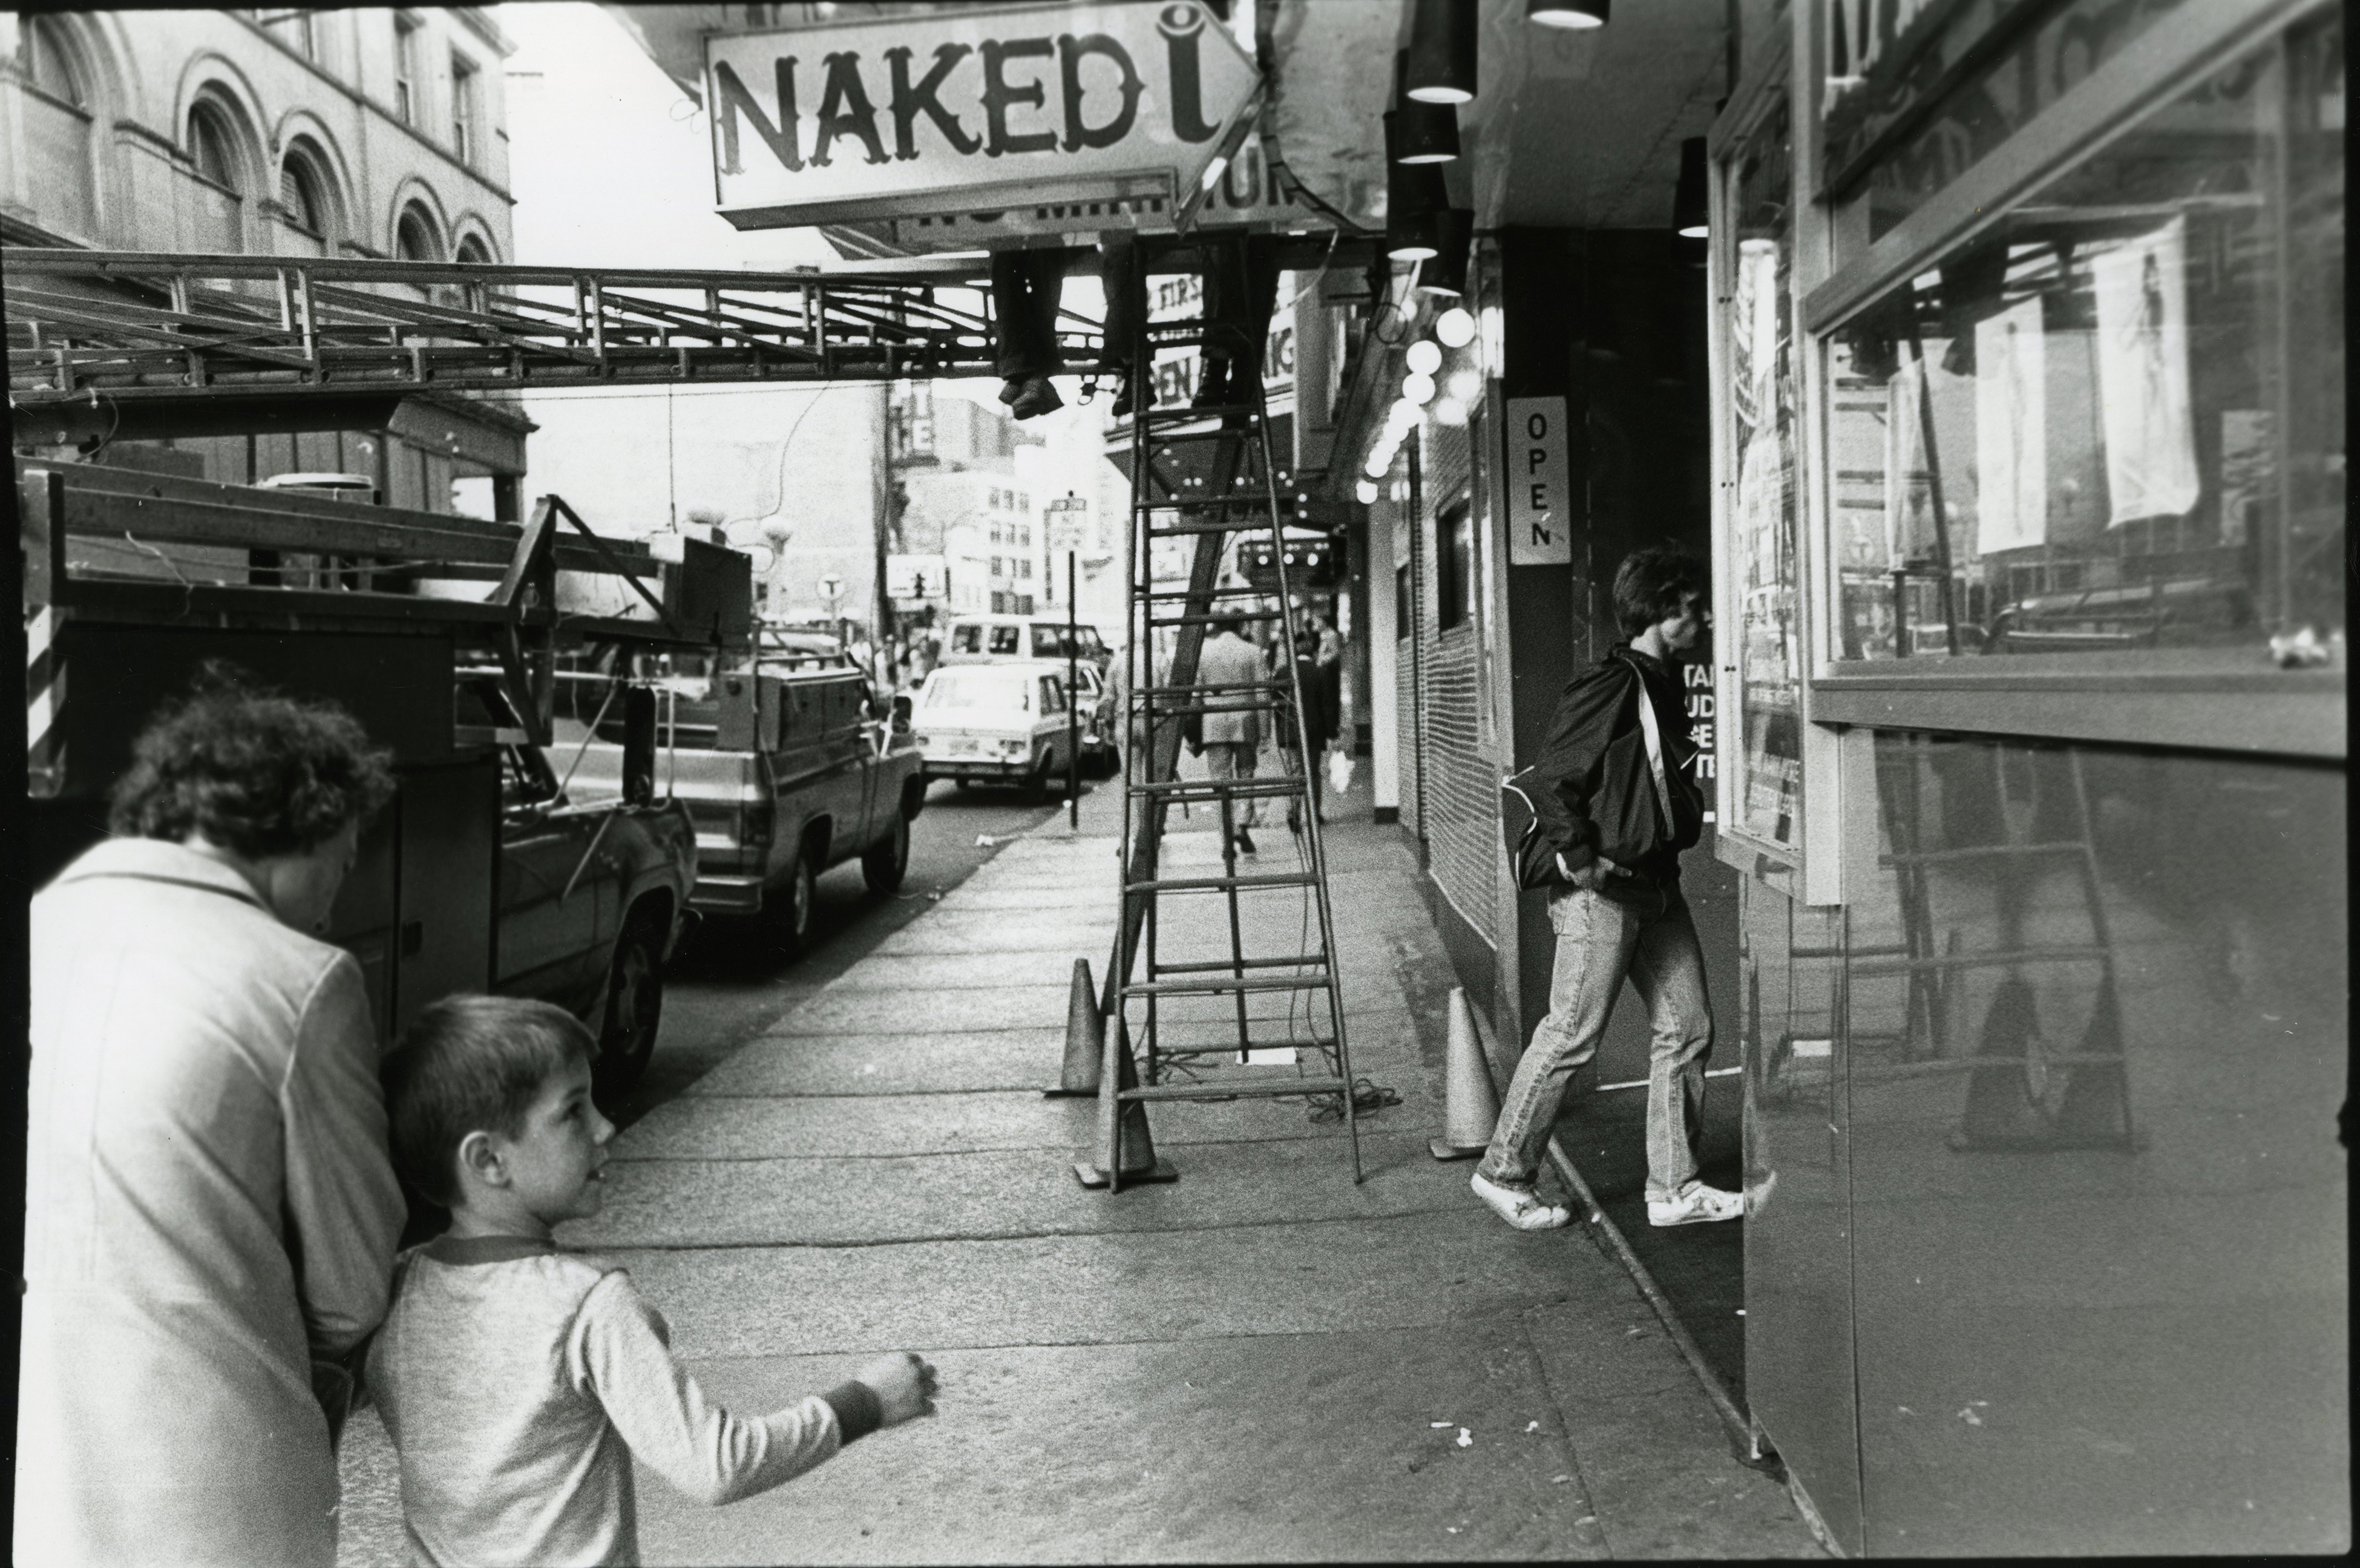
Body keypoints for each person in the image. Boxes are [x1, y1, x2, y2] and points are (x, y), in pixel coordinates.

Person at [18, 674, 407, 1568]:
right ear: (301, 830)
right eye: (343, 863)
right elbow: (353, 1286)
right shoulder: (302, 977)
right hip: (217, 1468)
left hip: (40, 1460)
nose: (335, 903)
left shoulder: (44, 919)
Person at [370, 996, 939, 1566]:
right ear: (490, 1160)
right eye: (572, 1111)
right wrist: (865, 1403)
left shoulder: (400, 1289)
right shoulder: (588, 1306)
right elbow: (716, 1465)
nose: (604, 1124)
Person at [1470, 547, 1742, 1232]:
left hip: (1653, 883)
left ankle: (1675, 1188)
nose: (1701, 615)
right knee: (1571, 1034)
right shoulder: (1613, 683)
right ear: (1658, 610)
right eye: (1689, 603)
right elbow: (1556, 774)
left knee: (1688, 1025)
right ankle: (1503, 1172)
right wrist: (1584, 861)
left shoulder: (1660, 680)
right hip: (1606, 890)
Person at [1195, 611, 1268, 855]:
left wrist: (1192, 731)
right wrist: (1265, 731)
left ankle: (1226, 837)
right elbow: (1262, 694)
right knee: (1246, 774)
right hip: (1245, 721)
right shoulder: (1252, 652)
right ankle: (1241, 825)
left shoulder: (1204, 653)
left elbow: (1196, 693)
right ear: (1239, 627)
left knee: (1220, 780)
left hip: (1213, 723)